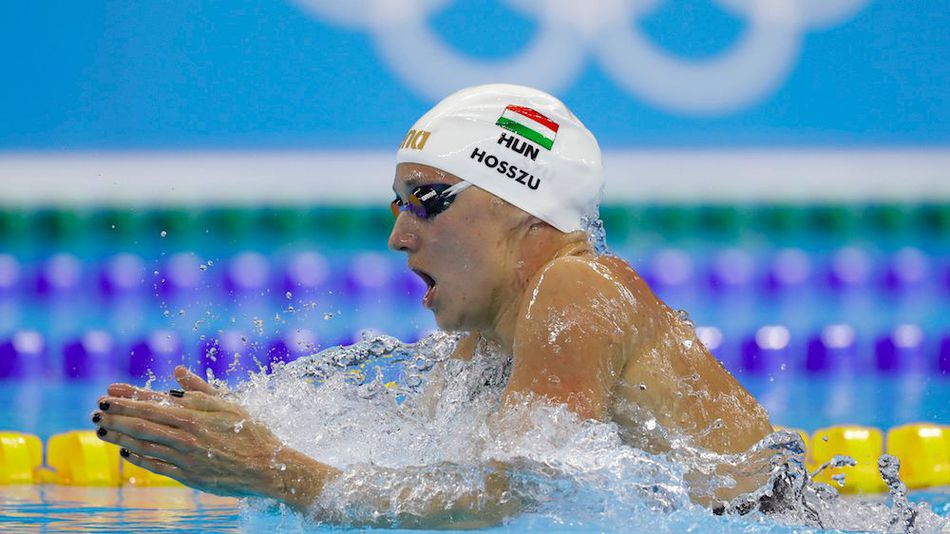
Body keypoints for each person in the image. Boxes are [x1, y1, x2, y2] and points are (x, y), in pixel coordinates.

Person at [93, 84, 773, 526]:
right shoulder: (485, 339)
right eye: (398, 204)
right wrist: (245, 444)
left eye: (427, 200)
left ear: (520, 205)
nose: (398, 235)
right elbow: (447, 494)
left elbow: (532, 501)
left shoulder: (579, 290)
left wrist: (275, 470)